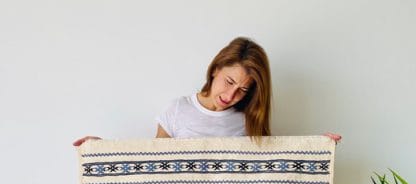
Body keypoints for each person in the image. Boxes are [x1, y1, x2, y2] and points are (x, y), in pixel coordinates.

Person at [73, 37, 341, 145]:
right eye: (229, 81)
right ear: (216, 69)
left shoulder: (246, 119)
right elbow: (152, 161)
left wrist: (318, 146)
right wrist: (102, 150)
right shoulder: (177, 109)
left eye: (243, 90)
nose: (231, 96)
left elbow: (273, 165)